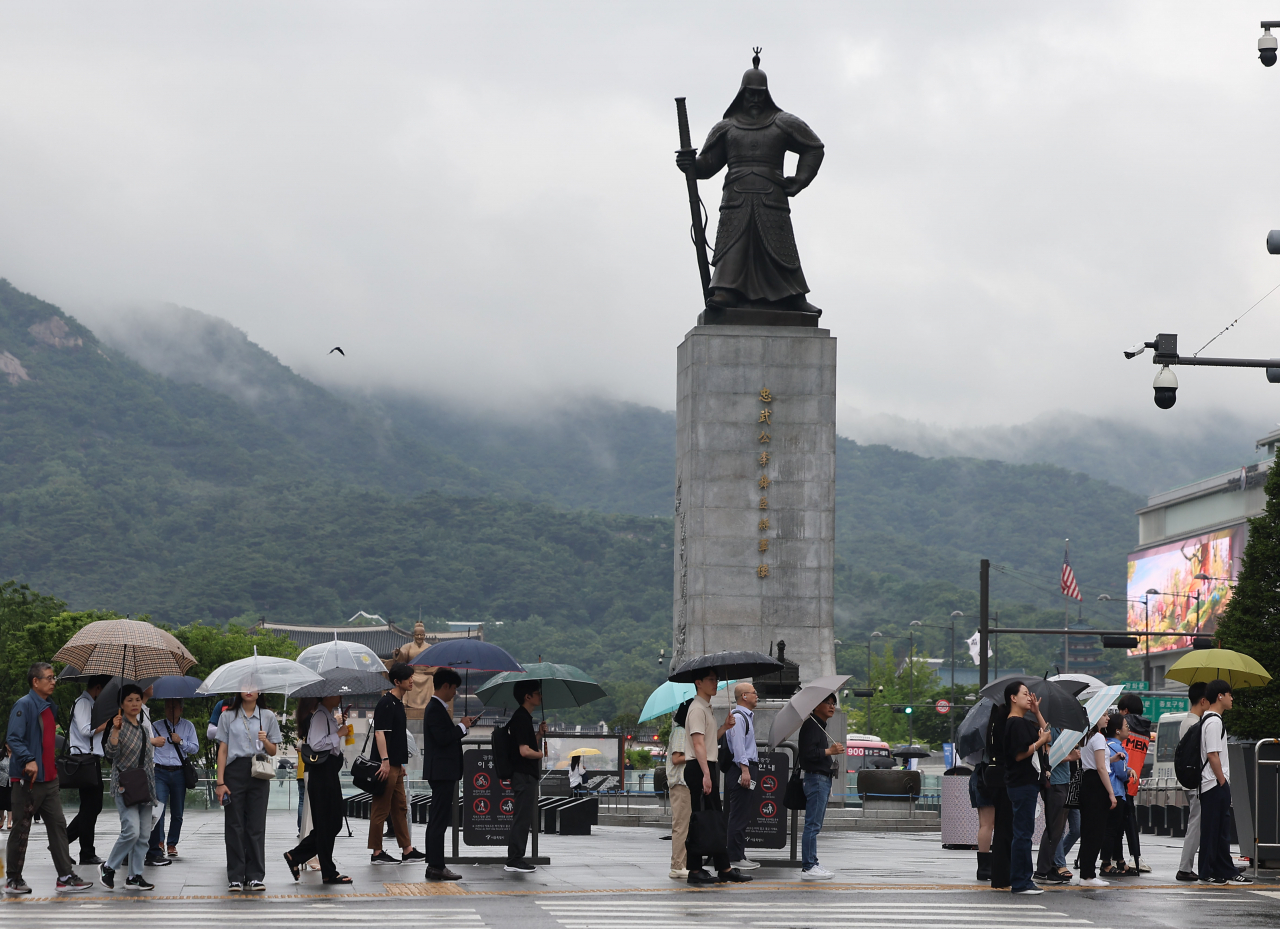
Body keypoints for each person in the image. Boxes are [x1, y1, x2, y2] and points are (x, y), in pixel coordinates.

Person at [4, 662, 94, 895]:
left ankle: (65, 876)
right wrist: (27, 760)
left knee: (58, 827)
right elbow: (13, 738)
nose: (54, 682)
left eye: (54, 678)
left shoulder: (48, 707)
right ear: (36, 681)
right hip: (28, 780)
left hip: (50, 779)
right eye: (49, 678)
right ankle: (13, 879)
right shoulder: (23, 705)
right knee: (21, 831)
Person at [683, 667, 750, 886]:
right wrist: (705, 774)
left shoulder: (706, 708)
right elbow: (698, 743)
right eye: (711, 679)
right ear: (698, 683)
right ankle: (695, 868)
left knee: (713, 817)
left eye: (716, 679)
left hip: (705, 766)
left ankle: (724, 867)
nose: (715, 683)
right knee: (701, 818)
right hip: (699, 767)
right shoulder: (696, 709)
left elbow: (710, 739)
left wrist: (724, 727)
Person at [213, 690, 281, 892]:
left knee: (256, 825)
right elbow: (223, 749)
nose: (249, 691)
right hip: (234, 771)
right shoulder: (227, 716)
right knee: (234, 825)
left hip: (259, 771)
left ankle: (255, 876)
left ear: (259, 691)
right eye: (245, 686)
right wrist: (220, 782)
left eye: (253, 686)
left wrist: (265, 740)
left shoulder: (267, 715)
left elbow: (273, 750)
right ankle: (235, 876)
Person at [283, 695, 352, 884]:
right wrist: (338, 734)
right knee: (326, 823)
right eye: (336, 694)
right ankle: (328, 871)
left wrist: (339, 731)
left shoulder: (327, 715)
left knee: (332, 823)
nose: (339, 696)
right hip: (321, 774)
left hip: (328, 773)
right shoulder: (320, 716)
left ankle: (296, 856)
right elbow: (316, 744)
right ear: (327, 695)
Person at [101, 684, 162, 891]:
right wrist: (115, 730)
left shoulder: (144, 729)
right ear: (121, 704)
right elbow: (110, 753)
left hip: (144, 786)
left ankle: (135, 876)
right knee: (131, 831)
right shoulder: (118, 727)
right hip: (124, 786)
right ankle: (109, 867)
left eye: (137, 699)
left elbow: (147, 762)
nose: (135, 704)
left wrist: (152, 792)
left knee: (144, 835)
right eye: (129, 700)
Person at [369, 663, 427, 866]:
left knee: (400, 807)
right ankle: (377, 852)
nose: (412, 680)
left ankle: (407, 849)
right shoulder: (386, 703)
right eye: (408, 678)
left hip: (395, 765)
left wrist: (400, 763)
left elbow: (397, 737)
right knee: (381, 808)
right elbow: (379, 733)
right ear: (397, 682)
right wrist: (385, 761)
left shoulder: (398, 704)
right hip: (386, 764)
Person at [421, 666, 476, 880]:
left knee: (438, 818)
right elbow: (443, 738)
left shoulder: (437, 708)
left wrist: (462, 726)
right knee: (438, 819)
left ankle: (435, 864)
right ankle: (436, 865)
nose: (455, 693)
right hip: (442, 772)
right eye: (454, 688)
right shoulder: (435, 708)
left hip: (443, 771)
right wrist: (461, 727)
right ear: (445, 686)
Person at [1199, 679, 1252, 885]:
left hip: (1212, 784)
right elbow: (1213, 754)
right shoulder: (1214, 722)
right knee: (1216, 831)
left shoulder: (1209, 720)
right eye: (1230, 694)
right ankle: (1210, 871)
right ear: (1220, 696)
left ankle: (1221, 869)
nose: (1232, 698)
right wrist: (1222, 781)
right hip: (1214, 784)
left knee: (1218, 830)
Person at [1003, 681, 1051, 895]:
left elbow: (1046, 735)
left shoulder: (1024, 721)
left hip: (1026, 783)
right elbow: (1020, 753)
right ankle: (1021, 881)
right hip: (1022, 783)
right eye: (1025, 694)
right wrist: (1040, 742)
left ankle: (1023, 880)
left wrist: (1037, 712)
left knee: (1024, 833)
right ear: (1013, 698)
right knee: (1023, 834)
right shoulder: (1015, 723)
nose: (1029, 697)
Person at [145, 698, 198, 865]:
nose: (170, 709)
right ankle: (159, 842)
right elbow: (147, 745)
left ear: (181, 709)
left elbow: (195, 747)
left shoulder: (188, 726)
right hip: (159, 770)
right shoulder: (156, 726)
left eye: (174, 707)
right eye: (168, 706)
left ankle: (172, 844)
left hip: (179, 772)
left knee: (177, 812)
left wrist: (180, 741)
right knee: (158, 808)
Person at [65, 675, 110, 866]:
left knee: (90, 807)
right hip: (85, 760)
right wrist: (107, 723)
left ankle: (86, 851)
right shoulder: (83, 703)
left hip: (91, 759)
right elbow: (85, 730)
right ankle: (65, 842)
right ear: (98, 688)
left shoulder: (89, 703)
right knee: (92, 807)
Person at [798, 692, 843, 880]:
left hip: (822, 779)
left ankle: (813, 862)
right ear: (816, 705)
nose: (832, 706)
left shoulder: (820, 726)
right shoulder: (811, 725)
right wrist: (829, 751)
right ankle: (809, 866)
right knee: (812, 825)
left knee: (815, 824)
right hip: (816, 779)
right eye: (827, 702)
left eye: (833, 703)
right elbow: (807, 754)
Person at [505, 679, 548, 874]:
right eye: (537, 693)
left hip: (524, 774)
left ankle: (516, 857)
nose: (540, 696)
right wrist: (541, 754)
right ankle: (515, 858)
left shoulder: (524, 718)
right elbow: (524, 751)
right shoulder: (521, 718)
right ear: (527, 697)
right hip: (524, 775)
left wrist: (538, 735)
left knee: (523, 816)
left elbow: (524, 744)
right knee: (522, 818)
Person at [1076, 710, 1116, 886]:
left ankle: (1086, 872)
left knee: (1088, 830)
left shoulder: (1085, 737)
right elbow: (1101, 768)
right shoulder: (1098, 738)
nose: (1108, 718)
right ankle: (1088, 875)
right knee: (1096, 831)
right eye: (1104, 714)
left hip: (1087, 782)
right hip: (1097, 784)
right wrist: (1111, 793)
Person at [1176, 682, 1211, 882]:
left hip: (1192, 782)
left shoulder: (1188, 721)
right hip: (1198, 783)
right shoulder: (1194, 724)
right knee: (1196, 825)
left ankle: (1203, 864)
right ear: (1203, 701)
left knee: (1199, 825)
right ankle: (1185, 867)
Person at [1035, 728, 1079, 884]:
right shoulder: (1051, 729)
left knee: (1058, 829)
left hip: (1064, 783)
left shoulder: (1065, 730)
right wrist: (1070, 757)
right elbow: (1049, 757)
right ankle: (1042, 870)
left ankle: (1050, 867)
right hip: (1054, 784)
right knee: (1054, 828)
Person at [724, 682, 760, 871]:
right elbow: (739, 749)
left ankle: (739, 854)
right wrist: (745, 771)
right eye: (754, 693)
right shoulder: (739, 718)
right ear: (744, 696)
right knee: (738, 814)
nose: (757, 695)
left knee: (743, 813)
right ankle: (735, 856)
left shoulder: (745, 717)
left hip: (745, 768)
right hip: (741, 770)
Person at [1115, 693, 1151, 872]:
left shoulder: (1122, 727)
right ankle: (1136, 858)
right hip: (1133, 781)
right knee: (1131, 822)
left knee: (1115, 823)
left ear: (1126, 711)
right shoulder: (1145, 729)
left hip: (1118, 779)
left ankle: (1116, 859)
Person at [985, 698, 1014, 890]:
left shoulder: (993, 723)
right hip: (1005, 776)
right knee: (1006, 829)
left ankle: (998, 875)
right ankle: (1004, 876)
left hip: (993, 774)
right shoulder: (1009, 726)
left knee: (1000, 829)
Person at [1101, 714, 1135, 877]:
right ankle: (1106, 863)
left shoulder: (1105, 745)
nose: (1128, 728)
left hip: (1109, 792)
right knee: (1113, 830)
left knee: (1114, 829)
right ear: (1117, 730)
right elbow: (1121, 774)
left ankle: (1119, 861)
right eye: (1125, 725)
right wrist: (1128, 774)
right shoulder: (1117, 748)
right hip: (1117, 793)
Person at [666, 698, 693, 880]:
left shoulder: (684, 732)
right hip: (680, 783)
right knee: (681, 825)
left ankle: (682, 863)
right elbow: (677, 758)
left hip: (686, 783)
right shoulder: (680, 732)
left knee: (685, 825)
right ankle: (677, 865)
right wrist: (696, 754)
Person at [0, 745, 11, 831]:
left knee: (10, 801)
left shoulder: (16, 754)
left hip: (13, 781)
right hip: (2, 781)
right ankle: (2, 818)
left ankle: (9, 822)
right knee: (1, 802)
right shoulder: (1, 754)